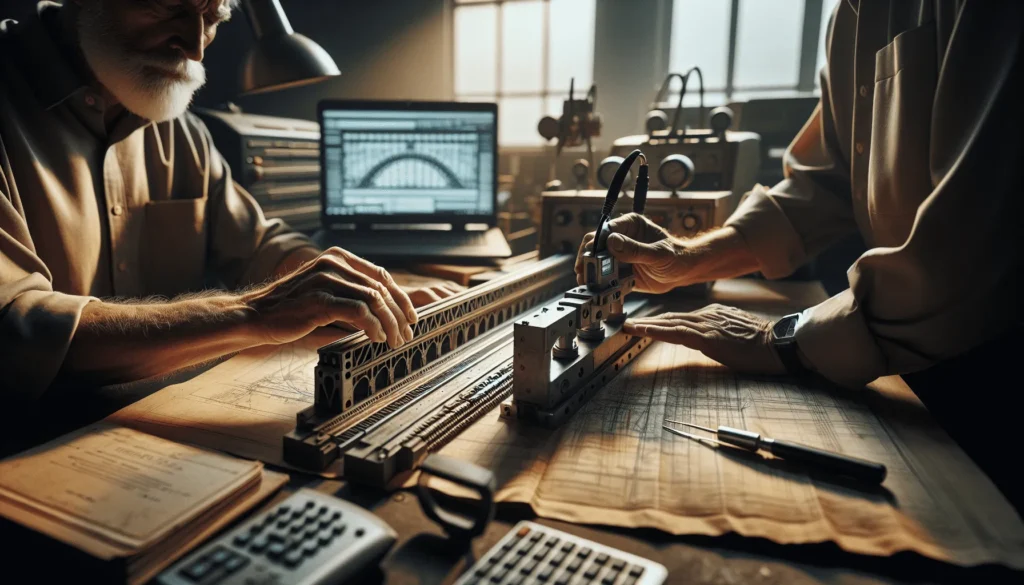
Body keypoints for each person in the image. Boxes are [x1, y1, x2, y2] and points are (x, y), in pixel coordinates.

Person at [576, 1, 1021, 505]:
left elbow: (968, 248)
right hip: (904, 352)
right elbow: (824, 183)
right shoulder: (851, 17)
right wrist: (687, 258)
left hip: (994, 366)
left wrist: (780, 339)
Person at [0, 0, 458, 400]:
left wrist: (357, 290)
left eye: (212, 15)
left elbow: (258, 246)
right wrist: (252, 312)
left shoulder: (183, 132)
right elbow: (17, 332)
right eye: (169, 5)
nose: (196, 46)